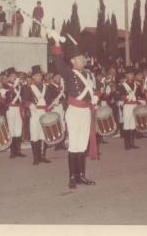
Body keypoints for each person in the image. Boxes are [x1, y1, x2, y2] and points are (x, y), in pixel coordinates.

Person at [51, 34, 97, 189]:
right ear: (72, 61)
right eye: (80, 58)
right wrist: (57, 42)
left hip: (86, 111)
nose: (83, 60)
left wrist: (95, 97)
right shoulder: (69, 73)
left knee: (82, 145)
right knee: (74, 145)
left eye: (83, 58)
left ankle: (81, 176)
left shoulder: (89, 74)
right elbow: (58, 62)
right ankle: (72, 177)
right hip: (74, 111)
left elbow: (93, 90)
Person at [22, 65, 52, 165]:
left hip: (43, 113)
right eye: (36, 75)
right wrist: (30, 104)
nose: (38, 77)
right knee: (35, 135)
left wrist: (51, 105)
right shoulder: (29, 88)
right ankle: (36, 157)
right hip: (34, 113)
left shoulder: (46, 88)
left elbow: (48, 101)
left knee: (43, 135)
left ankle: (42, 156)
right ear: (33, 77)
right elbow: (24, 100)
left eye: (40, 75)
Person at [3, 67, 26, 158]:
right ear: (8, 77)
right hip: (10, 109)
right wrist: (13, 86)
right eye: (12, 76)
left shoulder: (19, 85)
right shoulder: (5, 86)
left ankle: (18, 150)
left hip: (18, 108)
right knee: (12, 129)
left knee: (18, 129)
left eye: (15, 76)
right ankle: (13, 152)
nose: (14, 77)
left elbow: (23, 96)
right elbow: (7, 96)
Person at [117, 66, 140, 150]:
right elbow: (120, 96)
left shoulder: (136, 85)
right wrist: (124, 98)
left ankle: (132, 143)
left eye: (132, 74)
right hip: (127, 106)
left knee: (133, 124)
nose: (131, 76)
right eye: (129, 74)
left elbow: (138, 95)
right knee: (126, 125)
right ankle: (127, 144)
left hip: (134, 105)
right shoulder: (122, 85)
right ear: (126, 75)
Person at [47, 70, 66, 150]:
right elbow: (48, 97)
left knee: (62, 124)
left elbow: (66, 95)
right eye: (56, 76)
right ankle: (57, 144)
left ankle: (62, 143)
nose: (58, 78)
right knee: (56, 124)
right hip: (55, 107)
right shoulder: (50, 86)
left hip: (62, 106)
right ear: (53, 77)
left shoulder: (62, 86)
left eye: (59, 76)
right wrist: (53, 101)